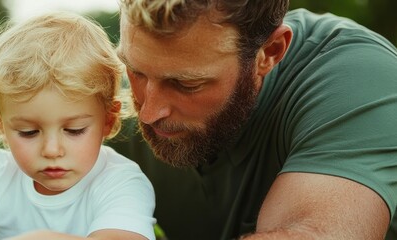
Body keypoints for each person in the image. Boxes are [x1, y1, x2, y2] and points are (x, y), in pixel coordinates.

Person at [115, 0, 397, 239]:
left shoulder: (357, 79)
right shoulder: (108, 103)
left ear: (270, 53)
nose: (148, 113)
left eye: (187, 85)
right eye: (135, 72)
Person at [0, 11, 156, 240]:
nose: (52, 150)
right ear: (2, 125)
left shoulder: (121, 181)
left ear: (108, 120)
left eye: (74, 130)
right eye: (28, 132)